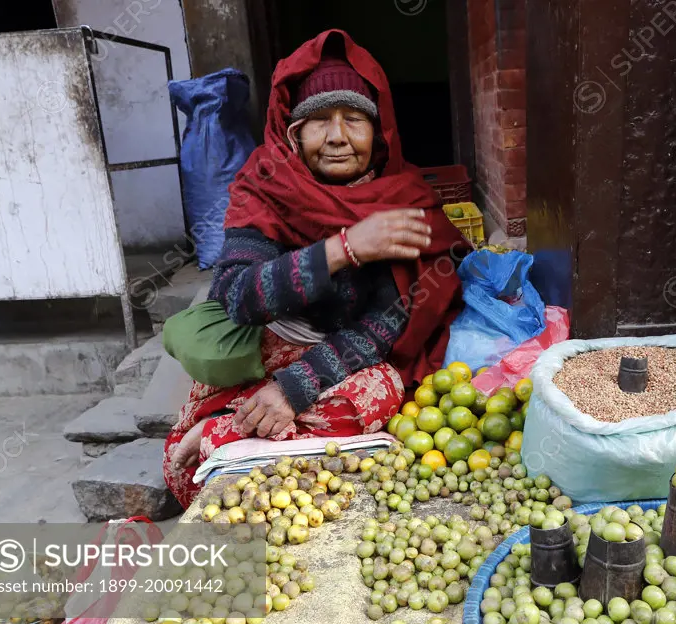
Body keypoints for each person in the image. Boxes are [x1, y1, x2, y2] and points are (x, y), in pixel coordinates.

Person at [163, 29, 469, 507]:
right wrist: (343, 249)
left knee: (384, 390)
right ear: (294, 133)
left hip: (348, 361)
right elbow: (236, 296)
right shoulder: (267, 183)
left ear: (379, 130)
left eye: (354, 120)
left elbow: (392, 321)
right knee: (182, 471)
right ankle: (256, 428)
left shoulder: (404, 198)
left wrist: (294, 389)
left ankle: (229, 426)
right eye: (319, 121)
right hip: (270, 340)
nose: (338, 137)